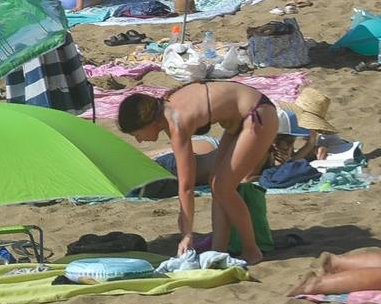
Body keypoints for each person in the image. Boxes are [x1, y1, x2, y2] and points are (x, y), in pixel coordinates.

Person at [119, 81, 278, 264]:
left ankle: (252, 250)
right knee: (216, 184)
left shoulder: (177, 122)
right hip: (240, 120)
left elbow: (186, 186)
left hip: (258, 114)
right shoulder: (167, 109)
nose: (139, 141)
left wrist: (187, 235)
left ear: (149, 122)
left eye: (137, 134)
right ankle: (218, 250)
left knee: (222, 187)